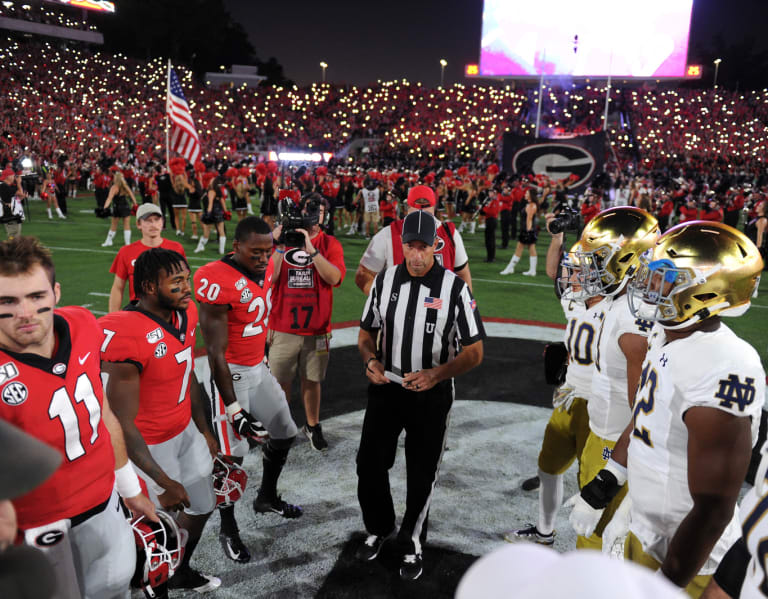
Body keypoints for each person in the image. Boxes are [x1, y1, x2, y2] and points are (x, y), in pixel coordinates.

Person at [568, 221, 765, 598]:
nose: (645, 284)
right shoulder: (665, 333)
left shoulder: (725, 363)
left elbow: (714, 508)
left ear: (703, 290)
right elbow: (645, 415)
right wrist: (607, 482)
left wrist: (668, 584)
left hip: (691, 562)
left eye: (662, 277)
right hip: (647, 530)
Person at [0, 236, 156, 598]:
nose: (25, 313)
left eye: (36, 297)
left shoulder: (83, 323)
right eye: (8, 301)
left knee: (117, 586)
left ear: (55, 293)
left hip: (104, 503)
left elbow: (101, 409)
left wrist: (130, 488)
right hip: (35, 527)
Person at [356, 209, 485, 581]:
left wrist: (436, 374)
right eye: (409, 247)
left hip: (432, 394)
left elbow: (475, 350)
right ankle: (380, 526)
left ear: (435, 247)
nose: (415, 255)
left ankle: (411, 539)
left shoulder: (454, 288)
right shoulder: (385, 281)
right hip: (387, 387)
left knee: (422, 471)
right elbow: (366, 333)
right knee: (369, 463)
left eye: (422, 247)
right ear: (401, 246)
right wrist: (370, 361)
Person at [100, 248, 221, 593]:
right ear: (151, 287)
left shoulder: (187, 313)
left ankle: (179, 570)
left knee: (202, 505)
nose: (188, 287)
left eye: (187, 278)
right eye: (177, 281)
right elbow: (121, 422)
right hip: (147, 448)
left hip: (184, 431)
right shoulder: (128, 334)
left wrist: (205, 429)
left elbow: (189, 375)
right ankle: (158, 586)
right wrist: (163, 479)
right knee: (152, 536)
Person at [194, 217, 302, 564]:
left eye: (267, 251)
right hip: (230, 374)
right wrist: (233, 408)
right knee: (231, 458)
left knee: (285, 432)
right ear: (235, 246)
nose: (262, 258)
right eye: (254, 251)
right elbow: (215, 352)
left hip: (258, 366)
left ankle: (266, 497)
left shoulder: (268, 262)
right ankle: (228, 527)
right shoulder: (216, 279)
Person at [561, 206, 659, 550]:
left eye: (596, 258)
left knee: (600, 544)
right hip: (601, 433)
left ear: (627, 260)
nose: (587, 266)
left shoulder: (634, 323)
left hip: (615, 445)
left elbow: (646, 418)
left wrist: (609, 478)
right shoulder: (625, 303)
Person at [505, 222, 605, 547]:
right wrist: (558, 237)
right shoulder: (577, 299)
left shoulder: (618, 312)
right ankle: (545, 532)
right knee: (549, 468)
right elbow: (553, 271)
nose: (570, 276)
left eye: (577, 271)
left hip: (601, 407)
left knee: (594, 485)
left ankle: (598, 555)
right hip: (569, 397)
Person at [269, 194, 345, 451]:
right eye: (310, 210)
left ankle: (312, 425)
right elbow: (270, 277)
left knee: (312, 381)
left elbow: (334, 278)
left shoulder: (329, 243)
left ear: (325, 215)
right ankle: (281, 427)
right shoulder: (282, 241)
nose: (314, 216)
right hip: (282, 326)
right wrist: (278, 244)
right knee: (280, 384)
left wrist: (312, 250)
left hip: (316, 327)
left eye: (319, 211)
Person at [355, 184, 473, 295]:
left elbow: (463, 273)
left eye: (425, 204)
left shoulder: (450, 233)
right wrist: (385, 299)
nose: (421, 210)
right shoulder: (388, 234)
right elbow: (363, 274)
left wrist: (466, 307)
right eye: (418, 204)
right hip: (400, 314)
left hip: (442, 310)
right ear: (408, 207)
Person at [107, 203, 186, 312]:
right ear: (139, 224)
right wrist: (113, 316)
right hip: (140, 312)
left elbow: (183, 282)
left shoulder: (176, 248)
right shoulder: (126, 252)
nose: (153, 224)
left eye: (157, 220)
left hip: (170, 311)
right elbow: (118, 287)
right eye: (148, 221)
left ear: (162, 222)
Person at [500, 187, 539, 276]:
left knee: (519, 250)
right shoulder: (530, 204)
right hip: (529, 230)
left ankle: (509, 268)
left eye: (527, 193)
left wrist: (528, 233)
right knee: (531, 249)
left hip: (527, 230)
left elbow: (529, 220)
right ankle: (532, 271)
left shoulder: (531, 206)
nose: (525, 194)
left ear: (530, 195)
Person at [101, 170, 138, 247]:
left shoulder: (114, 187)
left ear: (116, 179)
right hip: (125, 207)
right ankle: (127, 243)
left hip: (117, 207)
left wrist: (105, 207)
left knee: (113, 225)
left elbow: (109, 198)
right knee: (127, 225)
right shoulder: (125, 186)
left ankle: (108, 241)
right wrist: (135, 204)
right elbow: (132, 195)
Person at [195, 173, 229, 255]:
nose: (210, 181)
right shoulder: (219, 191)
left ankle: (199, 247)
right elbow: (223, 202)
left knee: (206, 233)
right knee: (221, 231)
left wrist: (208, 213)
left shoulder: (211, 191)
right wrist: (226, 212)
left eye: (211, 181)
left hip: (212, 212)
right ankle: (221, 251)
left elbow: (210, 203)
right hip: (219, 212)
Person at [0, 167, 25, 239]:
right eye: (13, 175)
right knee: (14, 239)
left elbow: (16, 198)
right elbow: (20, 193)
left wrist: (22, 197)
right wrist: (19, 183)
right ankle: (10, 249)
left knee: (14, 237)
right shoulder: (4, 186)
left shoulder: (5, 186)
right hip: (10, 216)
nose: (14, 177)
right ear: (8, 177)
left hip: (11, 216)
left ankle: (11, 248)